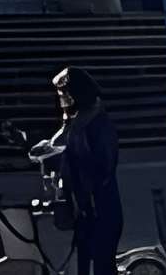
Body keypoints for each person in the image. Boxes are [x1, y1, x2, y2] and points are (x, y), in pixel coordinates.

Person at [40, 64, 125, 275]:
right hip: (85, 209)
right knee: (84, 263)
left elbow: (104, 166)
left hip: (101, 208)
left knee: (102, 265)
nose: (61, 99)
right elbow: (61, 151)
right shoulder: (76, 123)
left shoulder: (96, 124)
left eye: (63, 94)